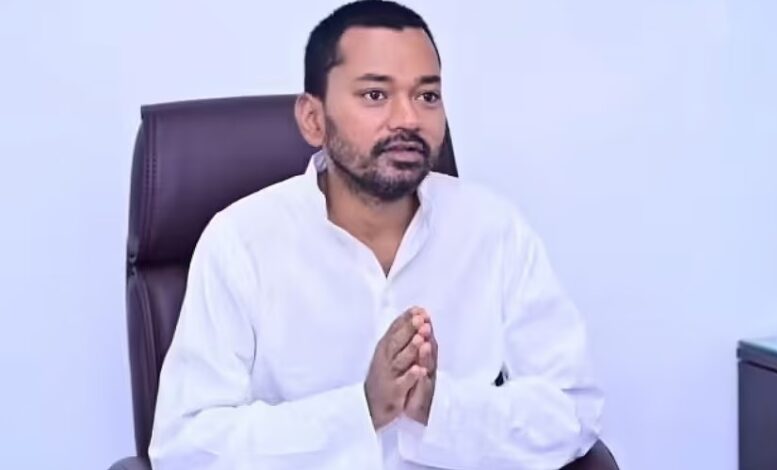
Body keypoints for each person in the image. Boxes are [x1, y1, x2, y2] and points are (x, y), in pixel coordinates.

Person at [148, 1, 604, 468]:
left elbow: (573, 409)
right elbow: (185, 448)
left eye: (427, 96)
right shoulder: (241, 241)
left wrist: (440, 410)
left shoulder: (493, 228)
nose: (408, 118)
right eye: (375, 95)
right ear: (313, 119)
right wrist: (361, 412)